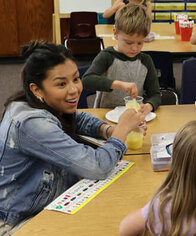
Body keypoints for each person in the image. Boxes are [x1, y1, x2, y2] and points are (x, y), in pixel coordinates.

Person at [0, 42, 149, 233]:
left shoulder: (39, 103)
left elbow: (77, 117)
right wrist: (121, 131)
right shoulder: (31, 123)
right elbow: (96, 167)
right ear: (37, 90)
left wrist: (109, 131)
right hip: (20, 221)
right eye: (61, 84)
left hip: (49, 202)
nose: (74, 90)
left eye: (76, 79)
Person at [82, 3, 160, 111]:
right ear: (115, 33)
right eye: (129, 43)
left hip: (134, 116)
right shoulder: (107, 56)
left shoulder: (145, 60)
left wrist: (149, 105)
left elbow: (155, 94)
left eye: (140, 43)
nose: (134, 48)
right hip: (105, 115)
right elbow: (86, 80)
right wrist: (118, 84)